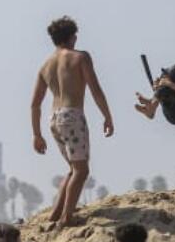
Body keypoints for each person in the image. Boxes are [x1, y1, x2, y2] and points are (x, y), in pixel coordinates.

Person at [30, 15, 114, 229]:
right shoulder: (80, 57)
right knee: (82, 171)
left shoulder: (45, 66)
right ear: (72, 37)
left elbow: (35, 104)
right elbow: (95, 89)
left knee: (73, 169)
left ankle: (55, 214)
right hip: (72, 116)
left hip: (54, 119)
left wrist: (37, 134)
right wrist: (107, 116)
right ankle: (67, 217)